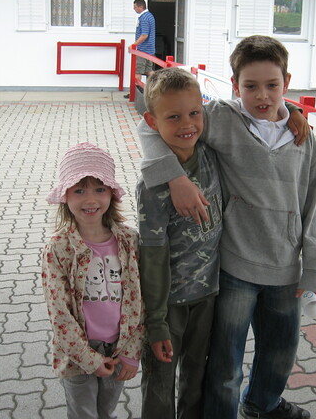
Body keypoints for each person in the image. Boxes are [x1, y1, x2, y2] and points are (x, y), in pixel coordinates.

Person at [137, 35, 316, 419]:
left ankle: (263, 405)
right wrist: (175, 177)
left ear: (287, 83)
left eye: (272, 85)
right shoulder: (221, 119)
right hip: (235, 268)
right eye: (250, 86)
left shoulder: (301, 136)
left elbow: (314, 205)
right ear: (235, 85)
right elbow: (153, 127)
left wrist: (315, 270)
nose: (262, 95)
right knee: (225, 363)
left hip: (286, 269)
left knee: (280, 353)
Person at [136, 67, 223, 419]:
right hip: (168, 305)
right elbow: (152, 256)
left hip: (208, 296)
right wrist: (156, 320)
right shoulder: (153, 186)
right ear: (152, 122)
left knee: (196, 378)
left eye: (194, 113)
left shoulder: (211, 155)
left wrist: (290, 111)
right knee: (160, 383)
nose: (187, 124)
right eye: (173, 117)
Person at [41, 142, 145, 419]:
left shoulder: (129, 240)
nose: (90, 199)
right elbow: (59, 313)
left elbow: (140, 298)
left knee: (106, 411)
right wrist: (89, 360)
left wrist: (132, 351)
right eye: (79, 190)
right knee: (84, 414)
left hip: (119, 348)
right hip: (77, 355)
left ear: (111, 192)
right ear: (65, 194)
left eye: (99, 189)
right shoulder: (59, 248)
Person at [125, 0, 156, 98]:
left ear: (141, 7)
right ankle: (155, 88)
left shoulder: (144, 18)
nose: (134, 9)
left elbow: (144, 35)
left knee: (137, 71)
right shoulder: (150, 16)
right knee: (148, 71)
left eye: (135, 7)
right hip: (150, 49)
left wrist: (134, 45)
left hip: (143, 49)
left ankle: (136, 93)